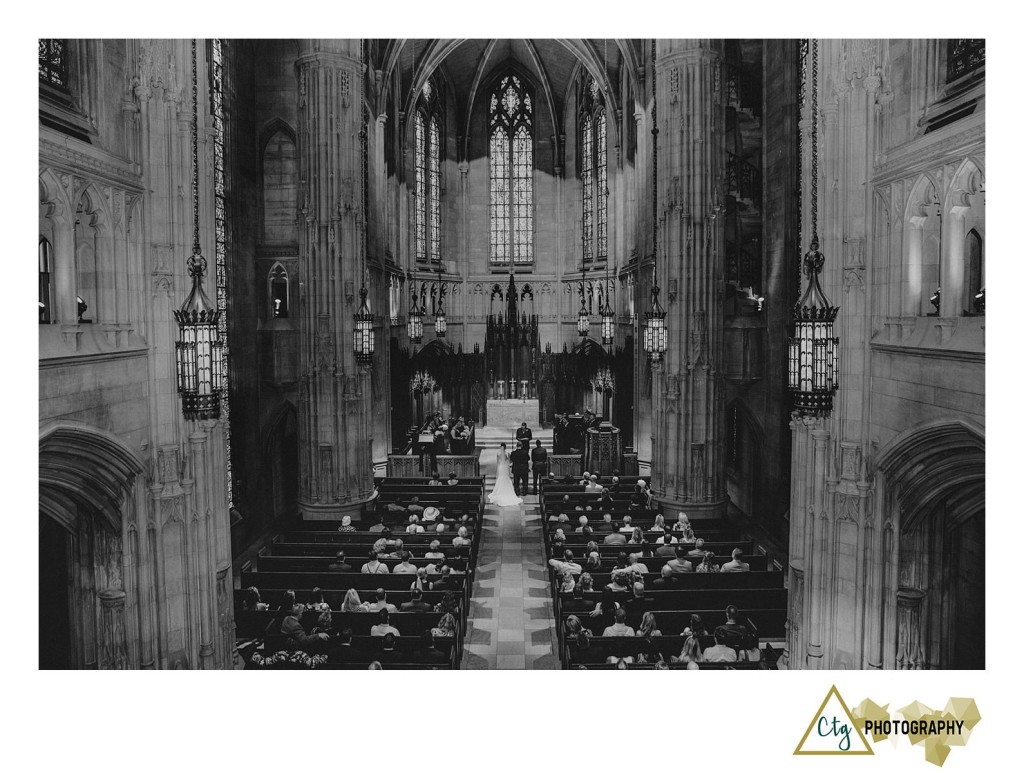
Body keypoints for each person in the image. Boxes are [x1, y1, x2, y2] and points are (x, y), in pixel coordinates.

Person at [487, 443, 523, 507]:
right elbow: (509, 463)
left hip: (501, 467)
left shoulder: (498, 454)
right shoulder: (507, 454)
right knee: (506, 478)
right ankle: (508, 493)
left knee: (500, 478)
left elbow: (498, 462)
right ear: (505, 448)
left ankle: (499, 493)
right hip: (505, 467)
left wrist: (498, 470)